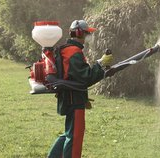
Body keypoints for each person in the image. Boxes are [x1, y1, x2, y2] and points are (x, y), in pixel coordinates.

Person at [48, 20, 113, 158]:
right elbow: (86, 77)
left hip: (69, 97)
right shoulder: (74, 52)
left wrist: (100, 63)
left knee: (69, 133)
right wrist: (100, 66)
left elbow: (77, 75)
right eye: (87, 33)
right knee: (75, 136)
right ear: (79, 33)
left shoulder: (67, 49)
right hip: (74, 99)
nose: (88, 36)